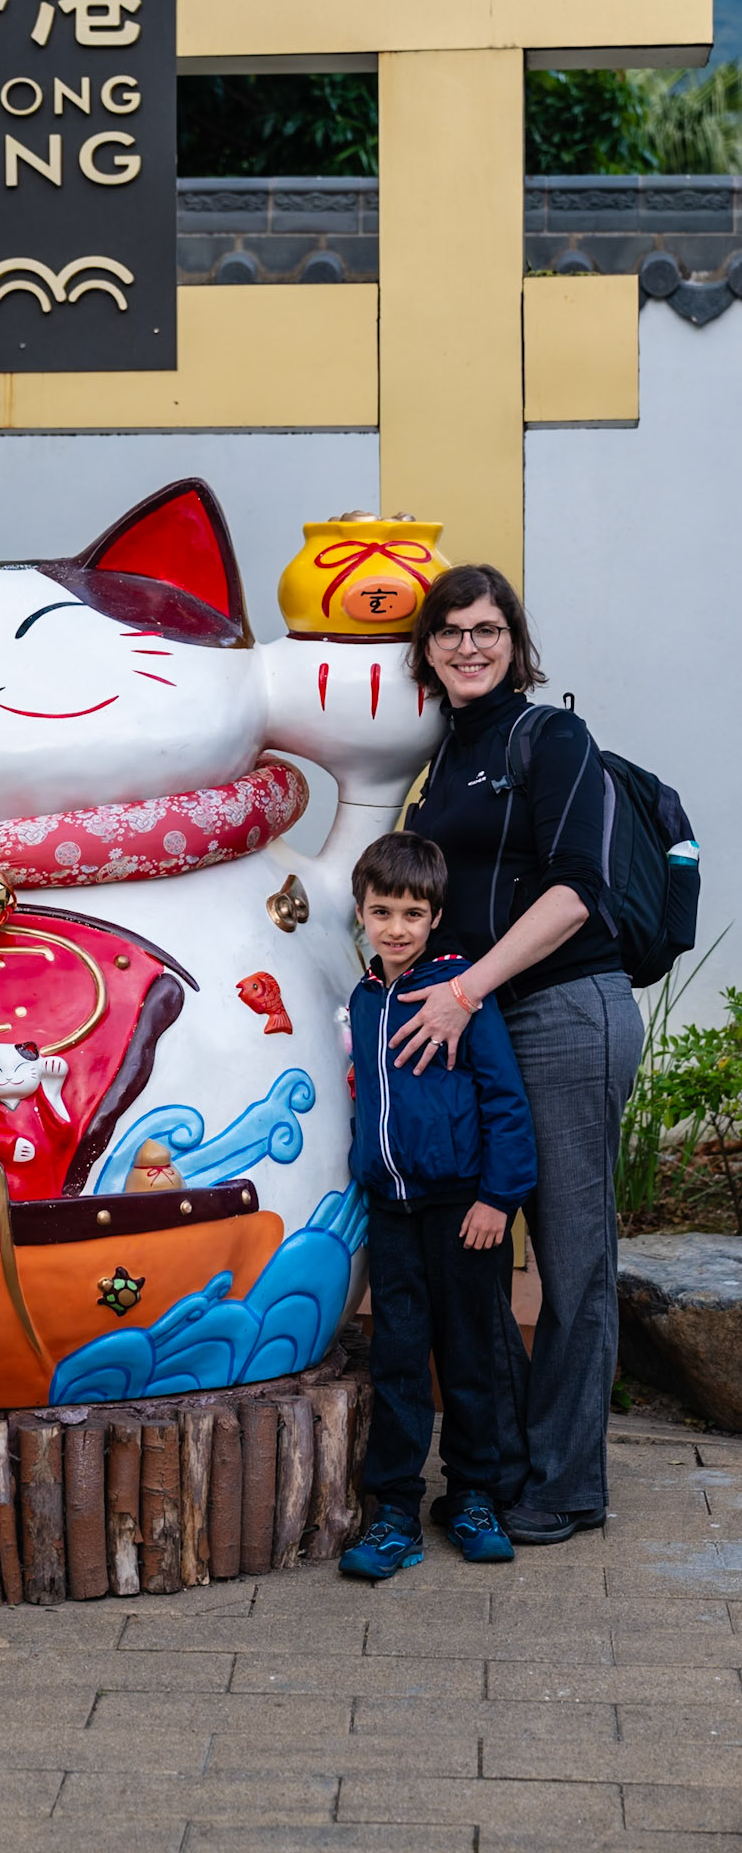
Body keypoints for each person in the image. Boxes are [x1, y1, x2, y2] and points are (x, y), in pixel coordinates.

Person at [397, 563, 644, 1544]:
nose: (469, 644)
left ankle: (569, 1483)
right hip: (479, 1023)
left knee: (573, 1254)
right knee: (477, 1243)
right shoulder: (441, 758)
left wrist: (463, 988)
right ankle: (498, 1463)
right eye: (450, 629)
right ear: (427, 647)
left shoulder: (551, 737)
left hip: (562, 1011)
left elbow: (577, 889)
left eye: (488, 628)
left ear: (515, 640)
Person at [339, 831, 537, 1581]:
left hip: (464, 1210)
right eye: (381, 910)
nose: (395, 927)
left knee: (467, 1356)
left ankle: (472, 1495)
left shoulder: (460, 993)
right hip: (390, 1208)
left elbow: (505, 1104)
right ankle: (394, 1508)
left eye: (411, 913)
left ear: (434, 917)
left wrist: (497, 1198)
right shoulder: (362, 998)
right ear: (359, 912)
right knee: (395, 1357)